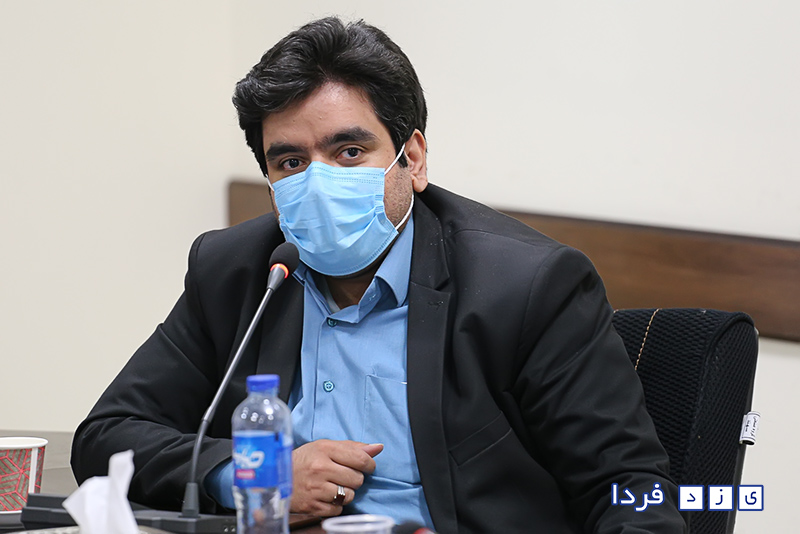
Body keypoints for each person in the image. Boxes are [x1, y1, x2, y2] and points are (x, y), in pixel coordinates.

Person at [72, 17, 686, 533]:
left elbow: (632, 490)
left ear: (411, 159)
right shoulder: (238, 270)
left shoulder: (528, 286)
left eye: (349, 152)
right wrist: (254, 475)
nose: (319, 180)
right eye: (291, 161)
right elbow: (107, 436)